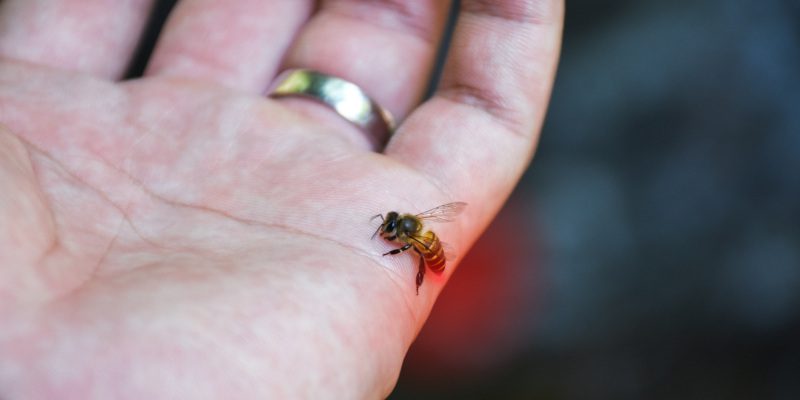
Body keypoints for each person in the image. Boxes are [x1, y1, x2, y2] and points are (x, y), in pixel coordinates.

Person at [0, 1, 563, 398]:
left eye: (393, 230)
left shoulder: (415, 239)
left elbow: (419, 247)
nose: (391, 231)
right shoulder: (413, 227)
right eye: (395, 229)